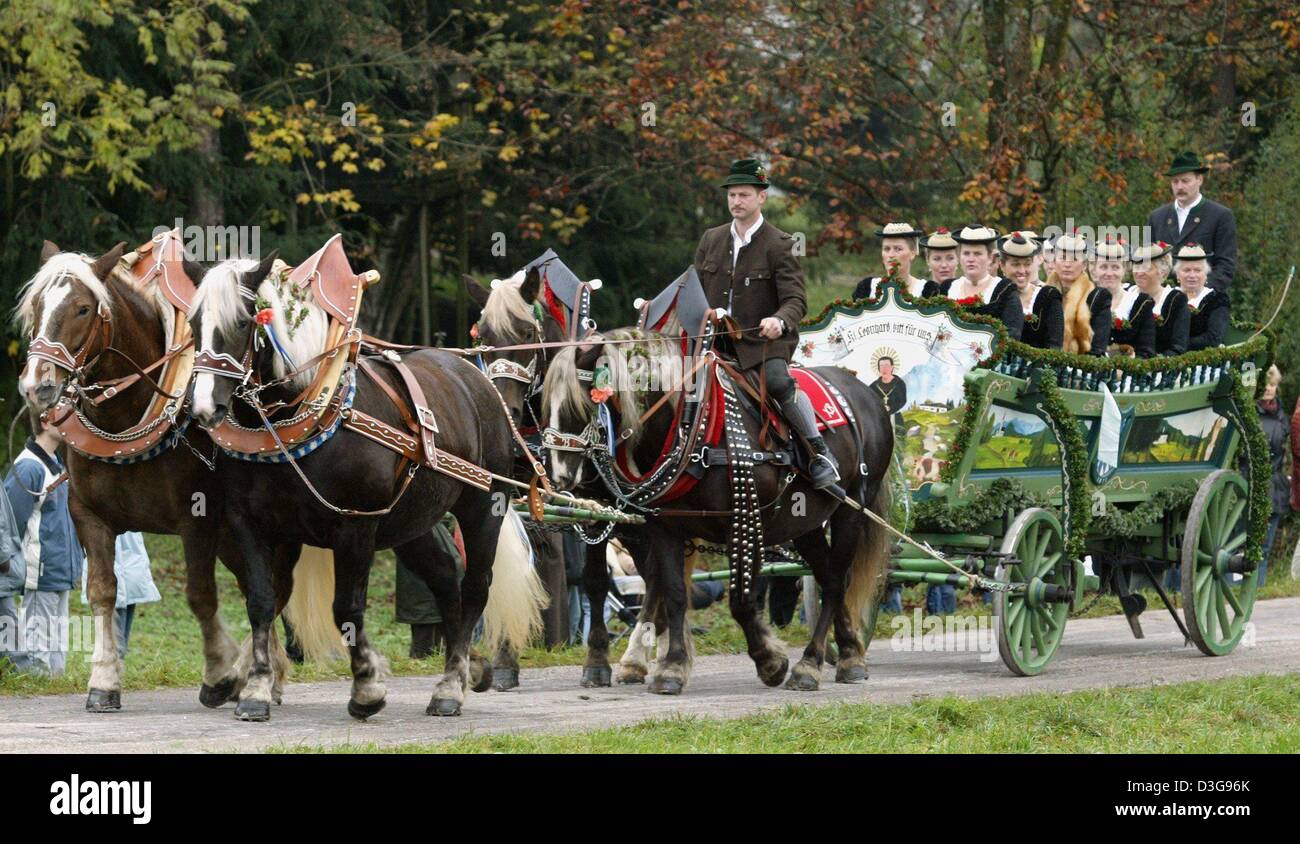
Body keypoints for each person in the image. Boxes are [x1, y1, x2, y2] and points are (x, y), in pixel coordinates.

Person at [694, 157, 837, 488]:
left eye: (744, 195)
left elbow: (796, 301)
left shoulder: (780, 244)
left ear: (762, 197)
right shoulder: (710, 240)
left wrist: (779, 320)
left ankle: (818, 452)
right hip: (715, 342)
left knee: (776, 382)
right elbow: (695, 292)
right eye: (732, 195)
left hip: (763, 345)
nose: (736, 202)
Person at [0, 419, 84, 677]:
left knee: (57, 655)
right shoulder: (28, 468)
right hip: (41, 572)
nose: (73, 423)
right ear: (46, 422)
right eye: (65, 417)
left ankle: (54, 691)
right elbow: (11, 523)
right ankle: (37, 699)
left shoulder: (57, 465)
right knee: (38, 658)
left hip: (61, 571)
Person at [1147, 151, 1238, 294]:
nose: (1179, 187)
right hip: (1162, 302)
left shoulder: (1220, 216)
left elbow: (1225, 265)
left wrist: (1199, 294)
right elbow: (1148, 262)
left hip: (1205, 301)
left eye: (1185, 181)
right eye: (1175, 181)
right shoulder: (1157, 217)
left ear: (1199, 179)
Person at [78, 532, 161, 659]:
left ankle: (115, 662)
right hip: (131, 569)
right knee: (122, 607)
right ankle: (115, 661)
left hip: (124, 570)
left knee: (115, 640)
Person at [941, 224, 1024, 339]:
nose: (971, 259)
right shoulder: (947, 288)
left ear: (990, 257)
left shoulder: (1004, 290)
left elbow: (1012, 335)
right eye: (966, 253)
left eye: (977, 253)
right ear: (959, 257)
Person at [1046, 231, 1111, 355]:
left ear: (1084, 265)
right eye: (1063, 258)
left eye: (1074, 259)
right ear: (1054, 262)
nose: (1067, 264)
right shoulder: (1045, 293)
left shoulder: (1098, 297)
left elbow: (1098, 347)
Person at [1093, 237, 1156, 358]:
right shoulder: (1085, 300)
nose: (1109, 273)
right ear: (1095, 270)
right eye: (1103, 267)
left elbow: (1146, 350)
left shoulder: (1140, 303)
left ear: (1124, 269)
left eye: (1115, 267)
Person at [999, 230, 1063, 349]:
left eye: (1027, 264)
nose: (1022, 271)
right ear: (1002, 265)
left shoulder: (1048, 297)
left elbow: (1055, 347)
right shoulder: (994, 296)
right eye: (1016, 264)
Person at [1130, 241, 1189, 356]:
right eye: (1136, 266)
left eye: (1146, 267)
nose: (1139, 272)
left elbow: (1178, 347)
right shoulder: (1126, 293)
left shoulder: (1175, 300)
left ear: (1163, 272)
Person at [1257, 365, 1288, 584]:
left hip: (1275, 485)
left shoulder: (1282, 418)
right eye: (1266, 383)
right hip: (1251, 482)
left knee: (1265, 545)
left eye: (1273, 384)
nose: (1269, 388)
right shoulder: (1249, 413)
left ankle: (1258, 587)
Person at [852, 222, 937, 300]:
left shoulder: (927, 291)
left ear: (912, 253)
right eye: (886, 249)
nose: (891, 255)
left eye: (898, 249)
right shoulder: (867, 289)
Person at [1175, 243, 1230, 350]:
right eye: (1186, 270)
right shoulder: (1168, 296)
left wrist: (1176, 346)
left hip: (1203, 361)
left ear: (1205, 274)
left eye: (1197, 270)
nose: (1192, 275)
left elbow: (1213, 338)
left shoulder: (1217, 299)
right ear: (1177, 274)